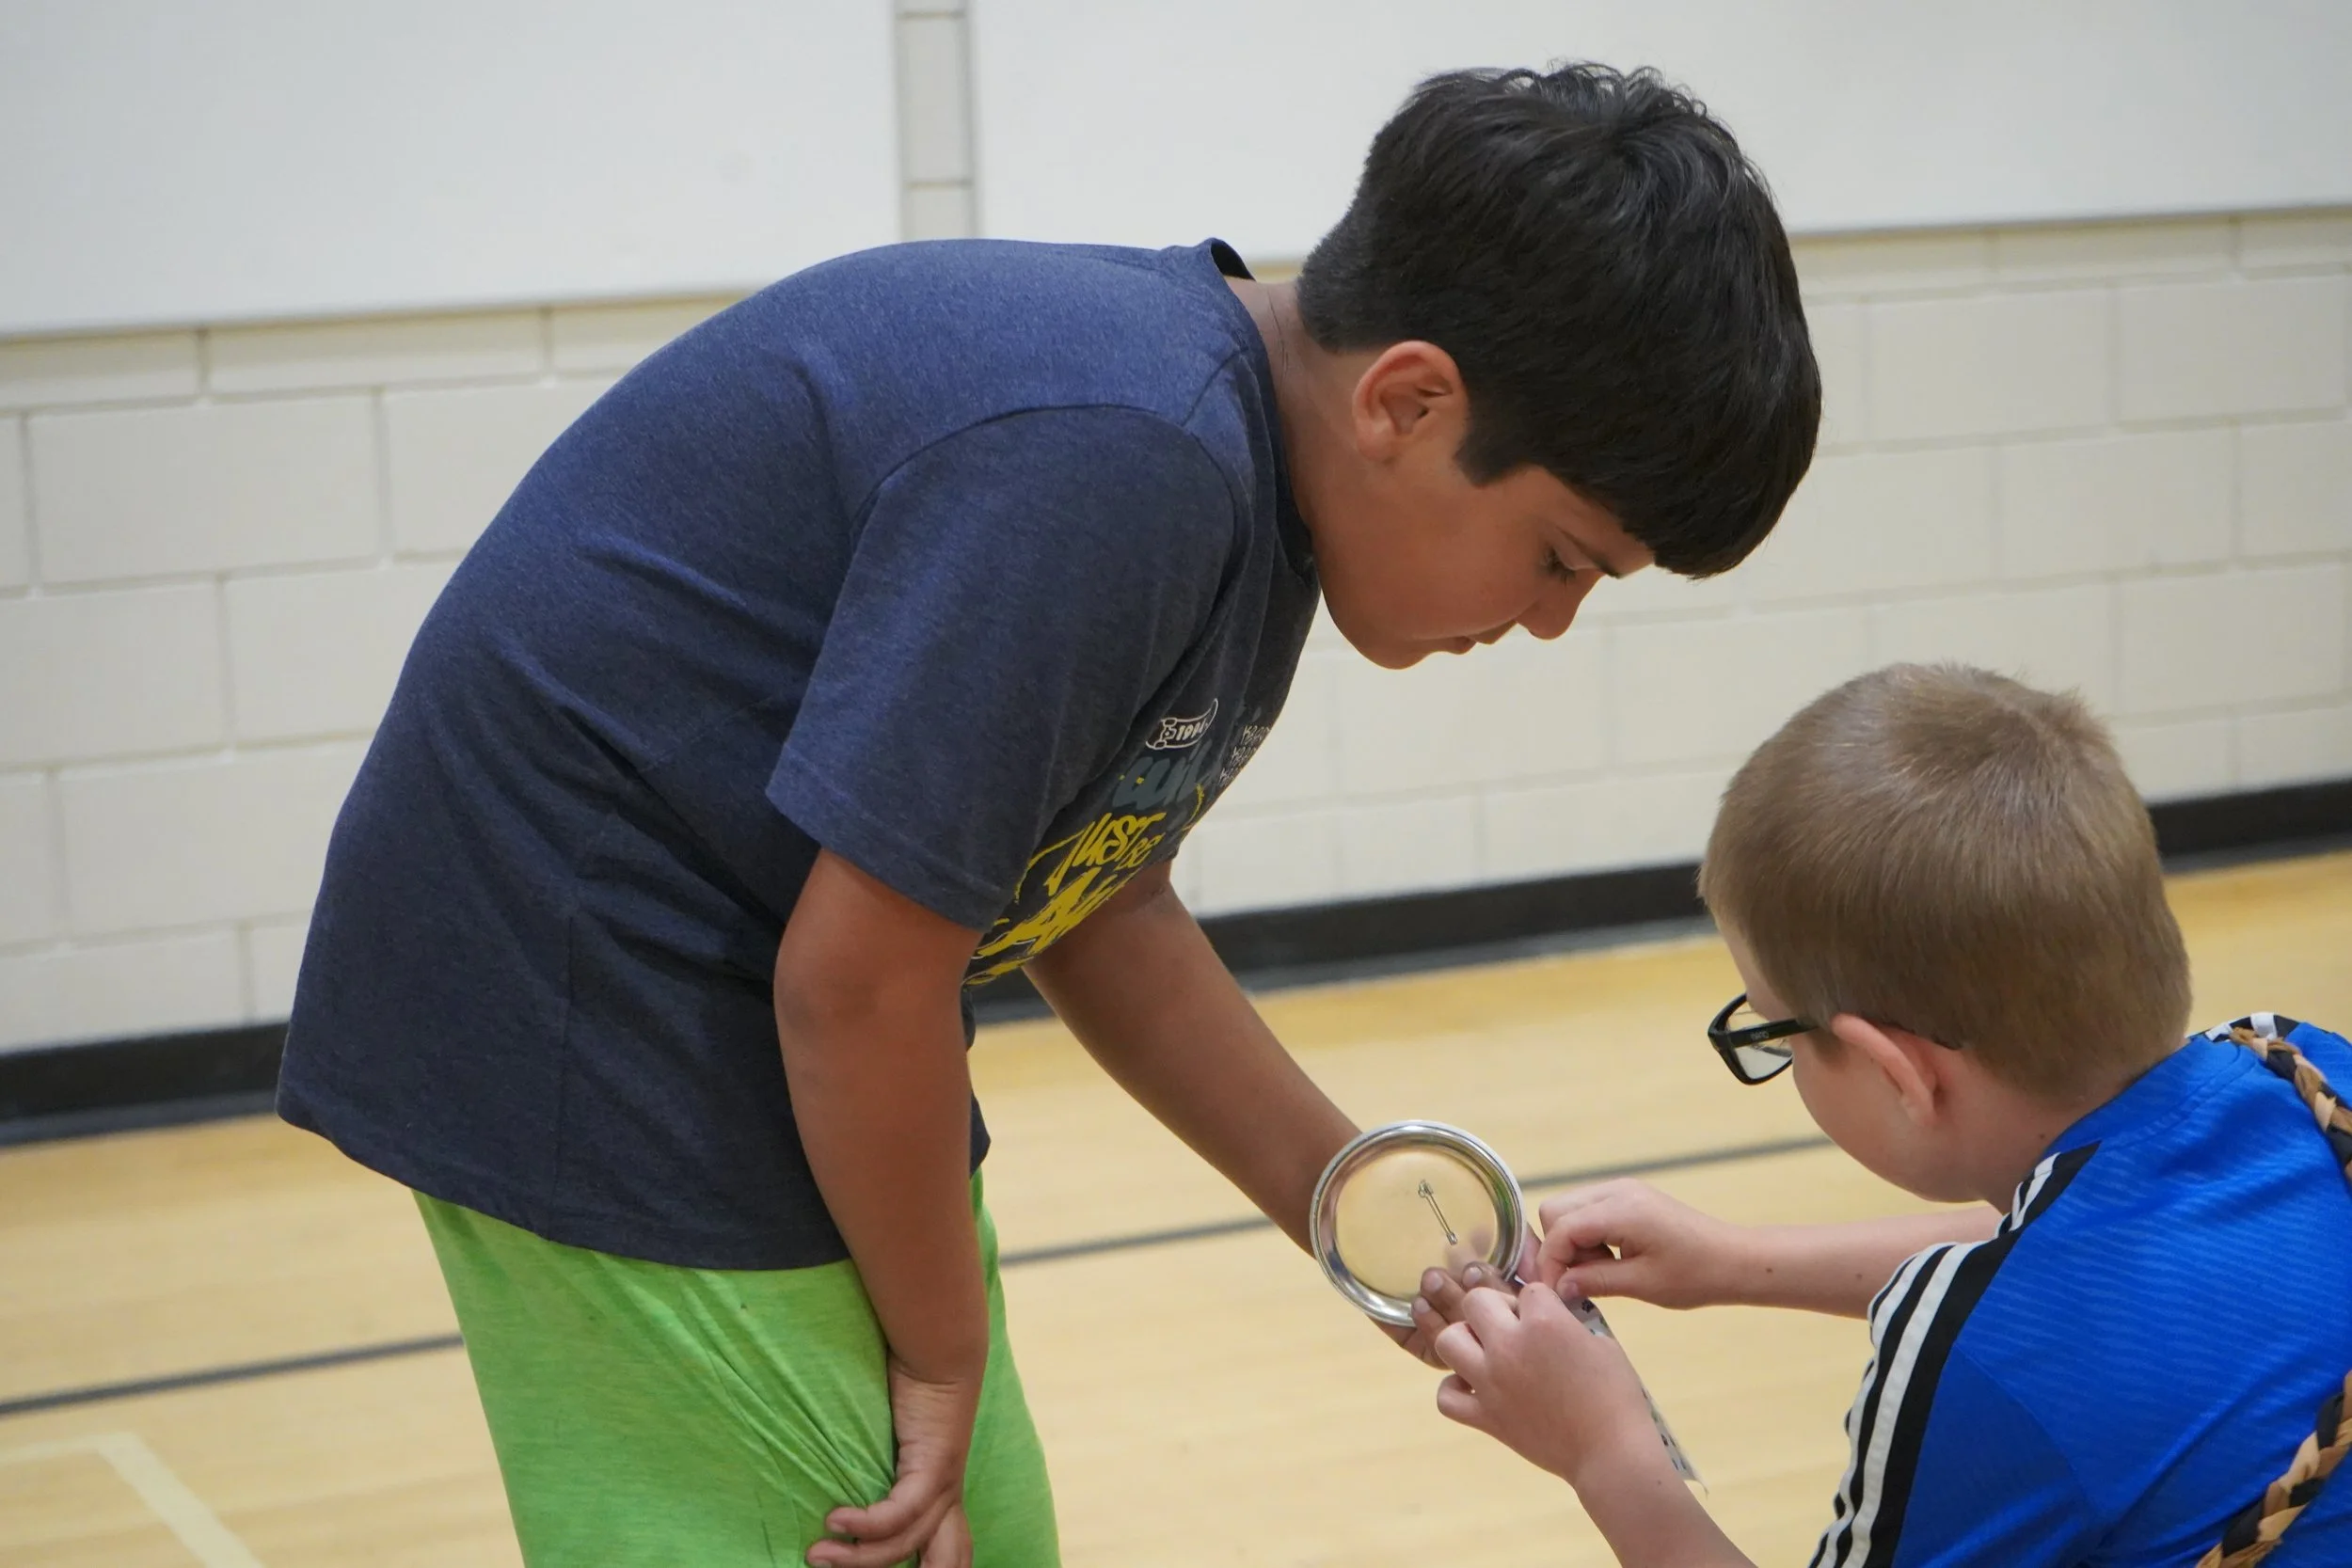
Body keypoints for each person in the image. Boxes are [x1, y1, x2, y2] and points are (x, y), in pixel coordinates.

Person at [276, 62, 1819, 1568]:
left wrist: (1371, 1221)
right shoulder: (1128, 461)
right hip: (596, 983)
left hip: (756, 986)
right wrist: (939, 1350)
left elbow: (1096, 896)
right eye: (1562, 557)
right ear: (1407, 402)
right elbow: (858, 981)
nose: (1548, 620)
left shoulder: (1243, 473)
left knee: (985, 1529)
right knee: (872, 1518)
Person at [1422, 664, 2352, 1567]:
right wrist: (1735, 1261)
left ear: (1893, 1070)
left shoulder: (1982, 1368)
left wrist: (1607, 1453)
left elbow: (2031, 1299)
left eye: (1770, 1028)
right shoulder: (2297, 1070)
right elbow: (2080, 1249)